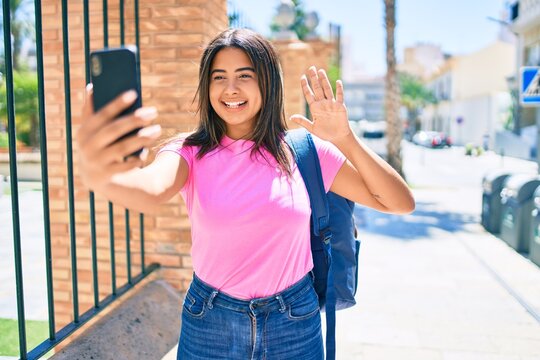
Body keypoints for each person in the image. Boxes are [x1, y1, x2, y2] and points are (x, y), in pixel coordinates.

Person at [76, 28, 415, 360]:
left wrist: (344, 138)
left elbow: (399, 202)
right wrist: (100, 175)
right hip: (210, 321)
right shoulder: (187, 152)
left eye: (244, 75)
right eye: (218, 77)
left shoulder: (305, 150)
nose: (231, 88)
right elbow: (149, 191)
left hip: (294, 321)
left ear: (267, 81)